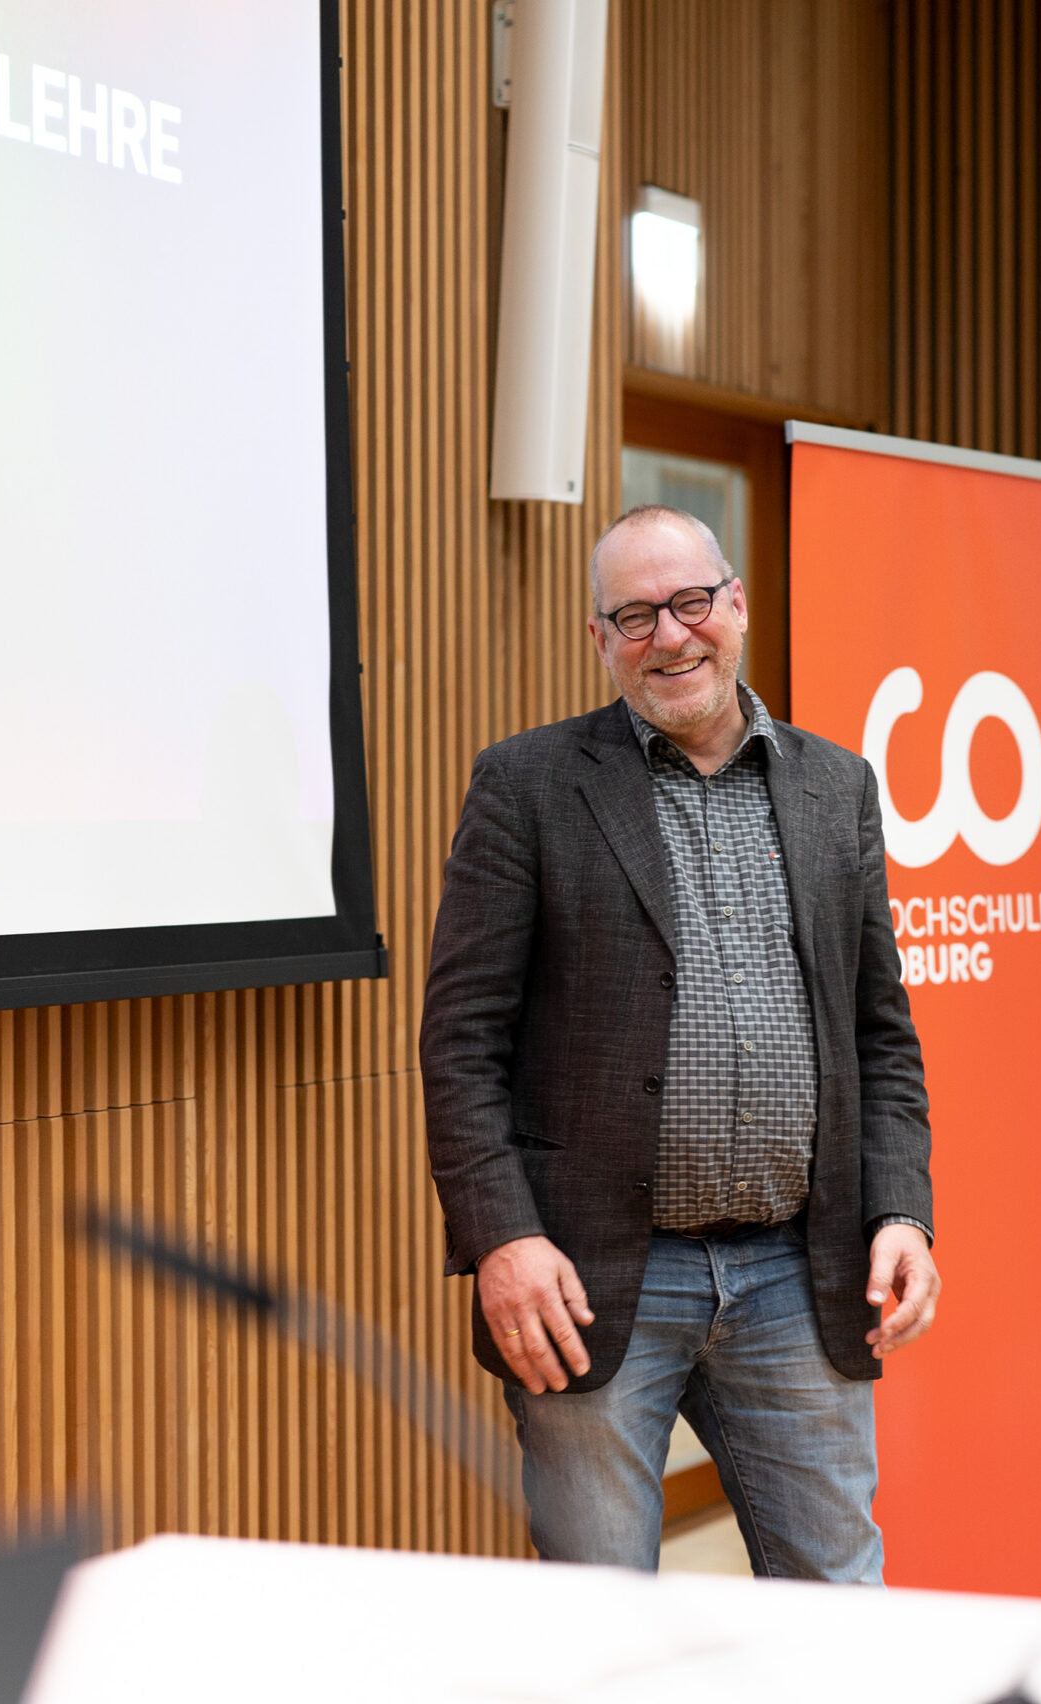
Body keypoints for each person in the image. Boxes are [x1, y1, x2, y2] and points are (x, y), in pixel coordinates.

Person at [420, 504, 938, 1582]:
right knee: (603, 1630)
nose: (670, 635)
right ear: (600, 640)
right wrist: (503, 1239)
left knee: (839, 1604)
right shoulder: (527, 787)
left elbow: (879, 1035)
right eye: (635, 615)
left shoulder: (834, 786)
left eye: (691, 603)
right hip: (598, 1278)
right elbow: (461, 1043)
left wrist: (901, 1211)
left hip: (800, 1271)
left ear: (735, 606)